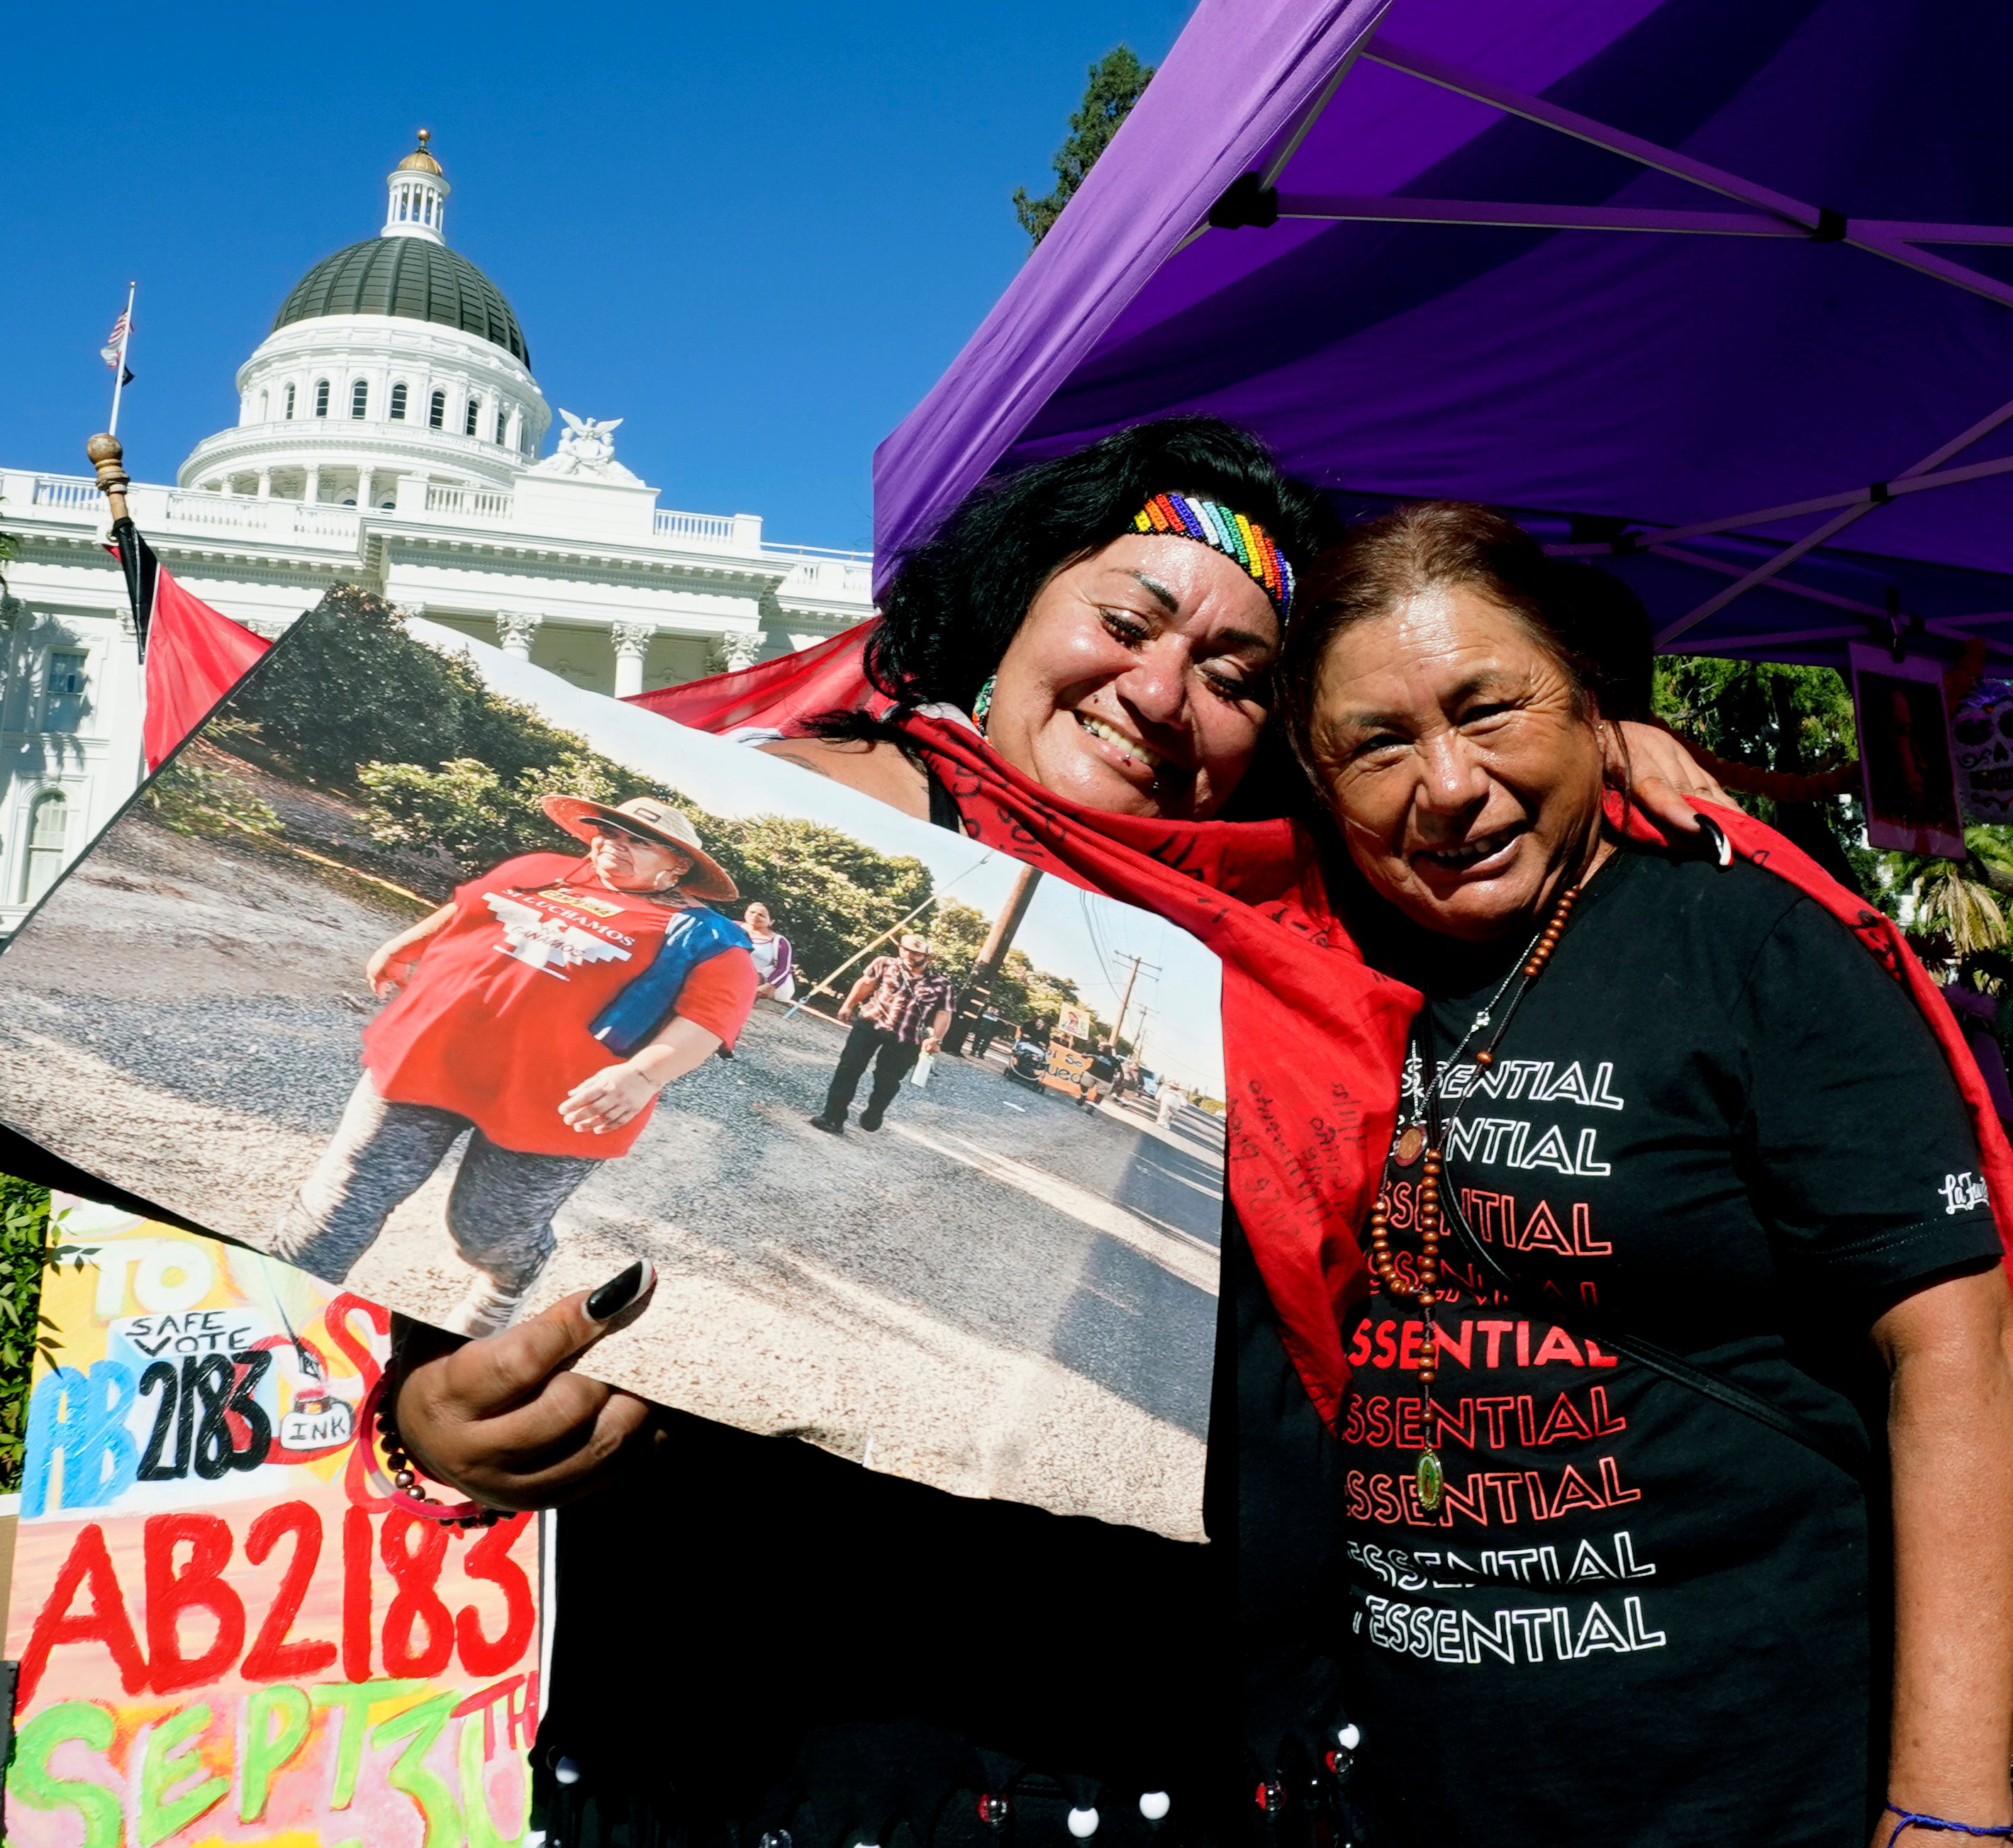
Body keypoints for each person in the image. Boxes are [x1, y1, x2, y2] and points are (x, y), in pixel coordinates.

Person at [375, 420, 1738, 1842]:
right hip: (774, 1747)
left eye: (1233, 677)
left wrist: (1590, 746)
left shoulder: (1305, 914)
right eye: (1126, 619)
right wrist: (437, 1415)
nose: (1160, 693)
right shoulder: (783, 800)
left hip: (1175, 1745)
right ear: (1017, 599)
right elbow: (507, 1208)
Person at [1271, 501, 2013, 1847]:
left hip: (1746, 1781)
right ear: (1315, 774)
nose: (1447, 784)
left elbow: (1960, 1353)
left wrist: (1949, 1806)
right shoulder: (1298, 946)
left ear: (1585, 701)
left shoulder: (1749, 944)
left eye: (1490, 707)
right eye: (1379, 741)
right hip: (1416, 1796)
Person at [269, 795, 756, 1336]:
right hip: (424, 1060)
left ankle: (510, 1281)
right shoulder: (540, 870)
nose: (614, 844)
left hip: (560, 1105)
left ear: (679, 863)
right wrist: (404, 946)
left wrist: (643, 1076)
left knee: (486, 1231)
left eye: (637, 840)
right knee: (344, 1196)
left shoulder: (707, 937)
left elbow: (711, 1020)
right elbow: (469, 908)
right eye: (607, 831)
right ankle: (271, 1314)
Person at [810, 931, 955, 1133]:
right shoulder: (884, 964)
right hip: (871, 1023)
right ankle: (833, 1117)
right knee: (849, 1068)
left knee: (887, 1081)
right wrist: (848, 1005)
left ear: (927, 958)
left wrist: (935, 1039)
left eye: (916, 953)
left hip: (906, 1037)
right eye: (905, 949)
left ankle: (875, 1111)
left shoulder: (942, 985)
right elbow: (865, 984)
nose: (909, 955)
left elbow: (944, 1014)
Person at [743, 899, 796, 999]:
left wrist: (770, 985)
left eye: (761, 915)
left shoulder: (780, 942)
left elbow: (784, 969)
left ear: (771, 921)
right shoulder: (733, 927)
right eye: (752, 912)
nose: (755, 916)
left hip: (750, 986)